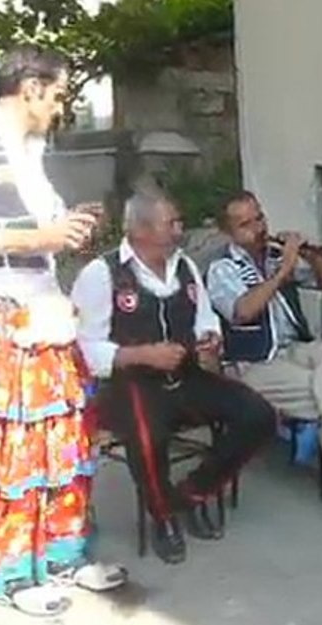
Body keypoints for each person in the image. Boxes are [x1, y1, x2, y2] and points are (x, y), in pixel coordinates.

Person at [0, 45, 125, 615]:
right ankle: (12, 574)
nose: (61, 108)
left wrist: (69, 229)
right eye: (59, 95)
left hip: (45, 314)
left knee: (62, 444)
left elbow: (43, 234)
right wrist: (42, 238)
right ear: (31, 88)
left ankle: (62, 555)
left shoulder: (32, 152)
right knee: (6, 454)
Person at [71, 188, 277, 564]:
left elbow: (204, 319)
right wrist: (141, 354)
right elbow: (84, 347)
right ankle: (162, 516)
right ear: (141, 230)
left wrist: (208, 338)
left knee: (258, 415)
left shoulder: (185, 266)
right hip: (129, 384)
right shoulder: (102, 274)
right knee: (147, 432)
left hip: (184, 377)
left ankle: (191, 493)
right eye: (172, 223)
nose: (180, 230)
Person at [206, 190, 322, 523]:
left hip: (295, 347)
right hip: (254, 362)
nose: (258, 228)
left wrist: (314, 255)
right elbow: (242, 311)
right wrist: (283, 272)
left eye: (259, 218)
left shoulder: (276, 255)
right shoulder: (222, 269)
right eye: (245, 224)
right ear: (229, 232)